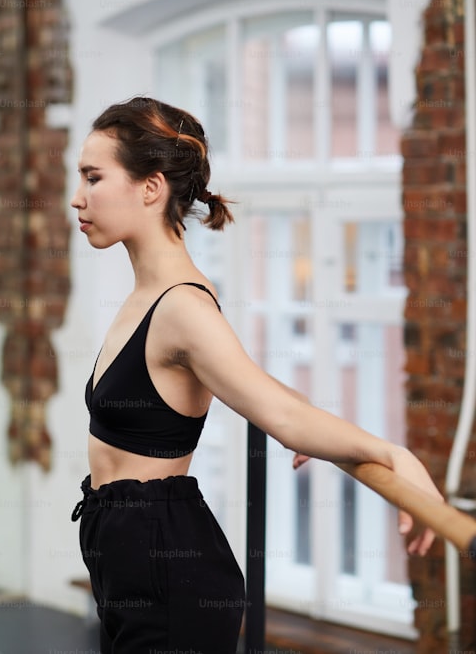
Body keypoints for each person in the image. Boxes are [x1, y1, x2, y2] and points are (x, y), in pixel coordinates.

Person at [69, 96, 442, 653]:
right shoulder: (152, 296)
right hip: (124, 558)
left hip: (166, 568)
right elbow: (241, 376)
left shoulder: (182, 307)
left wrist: (394, 455)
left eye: (93, 178)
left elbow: (284, 418)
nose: (78, 198)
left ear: (150, 188)